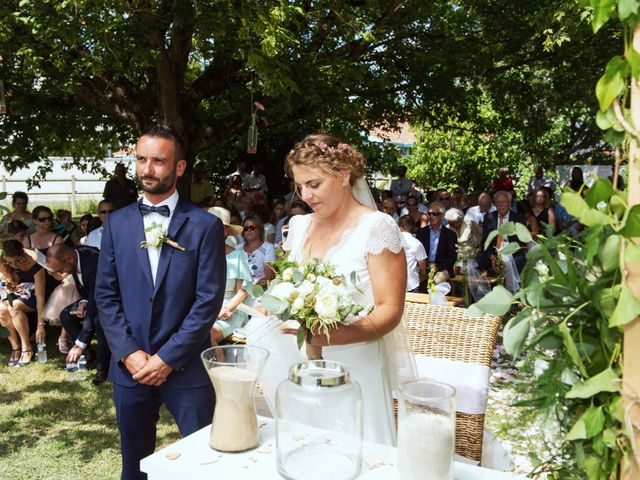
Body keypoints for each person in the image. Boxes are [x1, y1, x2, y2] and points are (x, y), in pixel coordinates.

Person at [94, 124, 226, 480]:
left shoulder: (204, 226)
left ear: (179, 168)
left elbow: (207, 301)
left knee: (206, 462)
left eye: (158, 161)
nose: (147, 169)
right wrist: (128, 352)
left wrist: (167, 357)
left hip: (187, 368)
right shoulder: (116, 224)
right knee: (133, 465)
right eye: (141, 160)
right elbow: (106, 295)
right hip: (130, 368)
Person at [281, 133, 413, 445]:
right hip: (301, 364)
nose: (306, 195)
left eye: (314, 184)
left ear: (342, 176)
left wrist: (333, 335)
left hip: (356, 367)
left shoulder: (377, 227)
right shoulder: (299, 226)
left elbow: (390, 310)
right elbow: (286, 287)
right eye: (300, 186)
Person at [47, 243, 111, 386]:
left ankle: (103, 368)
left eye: (61, 269)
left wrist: (79, 344)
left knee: (98, 322)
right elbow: (85, 290)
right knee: (65, 315)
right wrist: (83, 302)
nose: (63, 273)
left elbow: (96, 301)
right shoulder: (74, 258)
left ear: (69, 258)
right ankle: (88, 357)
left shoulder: (93, 264)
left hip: (110, 300)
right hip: (92, 297)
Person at [207, 207, 253, 343]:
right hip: (204, 309)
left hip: (229, 311)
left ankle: (217, 365)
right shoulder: (199, 255)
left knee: (207, 336)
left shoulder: (237, 256)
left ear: (226, 231)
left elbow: (242, 292)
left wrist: (225, 309)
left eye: (217, 227)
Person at [0, 240, 47, 366]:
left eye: (17, 261)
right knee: (1, 310)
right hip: (18, 293)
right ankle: (16, 347)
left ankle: (27, 348)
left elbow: (41, 296)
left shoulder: (35, 264)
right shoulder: (6, 263)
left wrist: (40, 325)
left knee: (13, 307)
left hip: (35, 296)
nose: (14, 265)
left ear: (22, 255)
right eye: (10, 262)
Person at [477, 191, 528, 275]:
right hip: (494, 253)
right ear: (495, 204)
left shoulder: (519, 219)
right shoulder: (488, 218)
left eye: (504, 202)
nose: (501, 205)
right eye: (498, 202)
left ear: (509, 203)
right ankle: (484, 286)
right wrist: (492, 256)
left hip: (512, 254)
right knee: (478, 259)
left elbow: (521, 243)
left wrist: (507, 257)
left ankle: (514, 287)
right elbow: (486, 241)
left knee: (520, 260)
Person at [416, 202, 458, 282]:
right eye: (430, 213)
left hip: (442, 268)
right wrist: (423, 266)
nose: (431, 216)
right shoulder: (421, 232)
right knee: (412, 279)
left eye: (434, 214)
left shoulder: (450, 234)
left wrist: (437, 267)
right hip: (423, 266)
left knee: (437, 281)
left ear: (442, 216)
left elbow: (452, 257)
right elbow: (416, 253)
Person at [237, 214, 276, 287]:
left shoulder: (268, 248)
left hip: (260, 291)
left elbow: (269, 276)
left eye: (252, 227)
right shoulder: (237, 249)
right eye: (245, 228)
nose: (249, 230)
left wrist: (251, 288)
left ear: (260, 229)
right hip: (238, 291)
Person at [397, 215, 427, 293]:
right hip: (411, 282)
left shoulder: (392, 241)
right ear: (414, 229)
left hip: (395, 282)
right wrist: (423, 272)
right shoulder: (416, 243)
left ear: (399, 228)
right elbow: (422, 261)